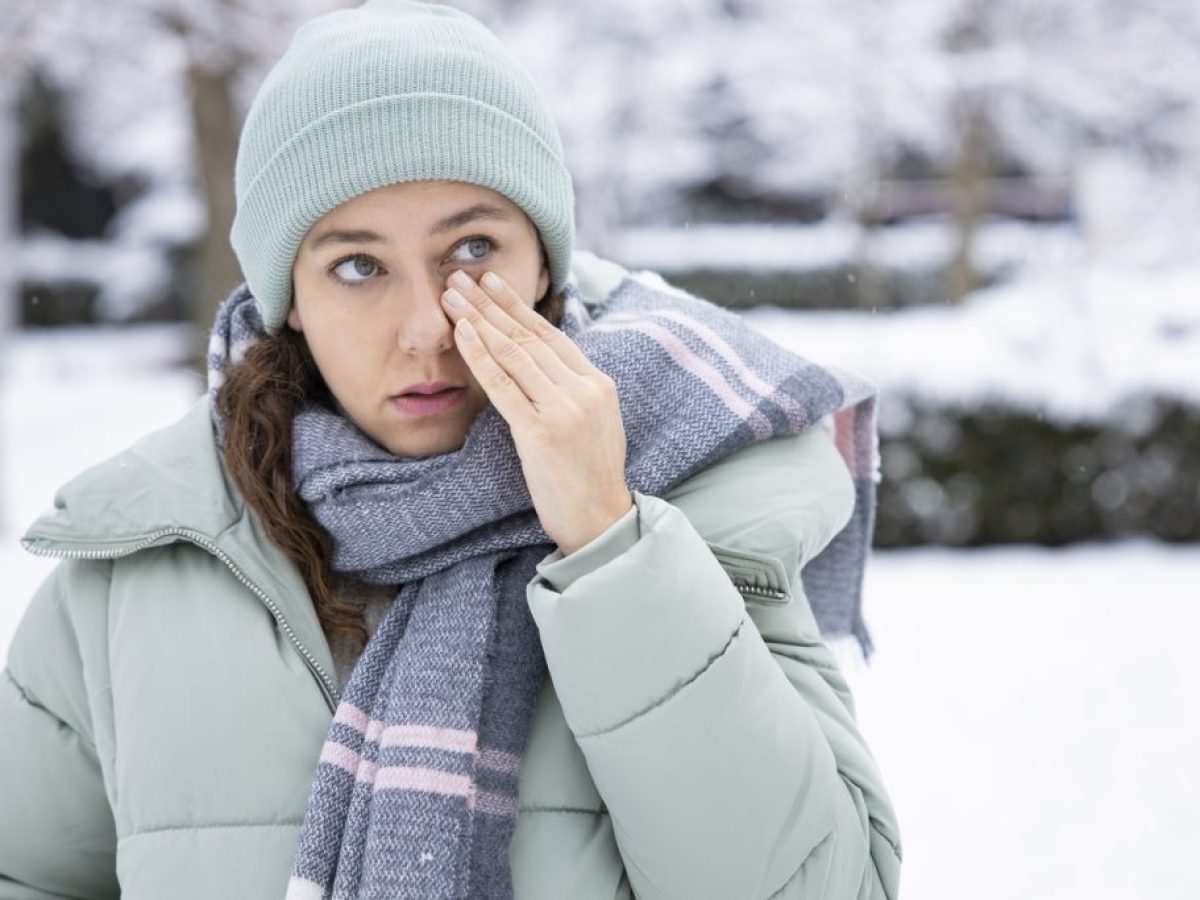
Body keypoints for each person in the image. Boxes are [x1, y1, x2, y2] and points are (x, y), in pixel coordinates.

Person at [0, 1, 902, 897]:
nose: (429, 329)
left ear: (543, 262)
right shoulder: (139, 563)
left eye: (473, 248)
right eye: (358, 266)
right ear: (290, 300)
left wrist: (608, 542)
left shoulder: (706, 497)